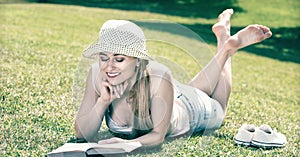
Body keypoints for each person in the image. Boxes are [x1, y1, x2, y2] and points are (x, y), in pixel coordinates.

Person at [74, 9, 272, 146]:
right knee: (195, 88)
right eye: (103, 57)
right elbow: (82, 133)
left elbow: (157, 136)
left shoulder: (159, 80)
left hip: (192, 110)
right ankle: (223, 39)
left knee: (219, 109)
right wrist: (102, 103)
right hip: (175, 95)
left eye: (119, 59)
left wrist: (126, 144)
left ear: (137, 61)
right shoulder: (96, 76)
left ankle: (226, 46)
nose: (109, 66)